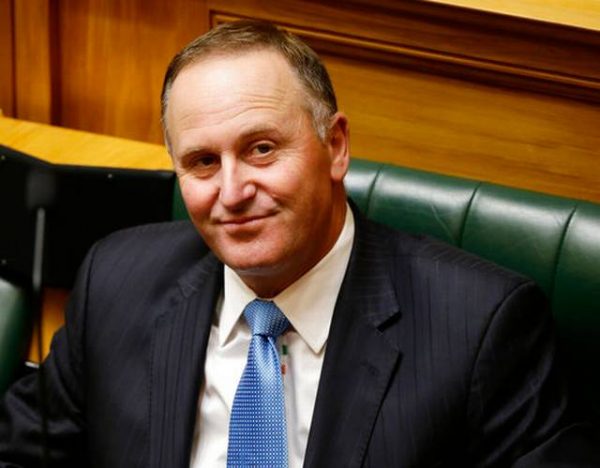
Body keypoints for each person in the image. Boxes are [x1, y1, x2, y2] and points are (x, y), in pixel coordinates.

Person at [0, 20, 598, 468]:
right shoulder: (117, 281)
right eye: (203, 162)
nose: (232, 192)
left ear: (335, 147)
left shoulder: (480, 328)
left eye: (261, 149)